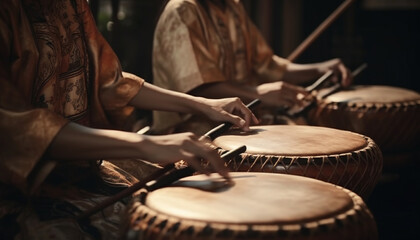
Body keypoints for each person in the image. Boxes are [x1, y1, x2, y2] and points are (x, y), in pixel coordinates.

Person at [0, 0, 257, 239]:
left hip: (84, 169)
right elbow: (16, 129)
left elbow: (110, 82)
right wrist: (144, 143)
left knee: (193, 196)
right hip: (20, 190)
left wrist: (205, 105)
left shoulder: (72, 4)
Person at [152, 0, 353, 135]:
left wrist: (319, 69)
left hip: (241, 122)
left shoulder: (233, 6)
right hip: (192, 132)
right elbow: (197, 86)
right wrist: (258, 93)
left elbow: (267, 65)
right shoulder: (182, 9)